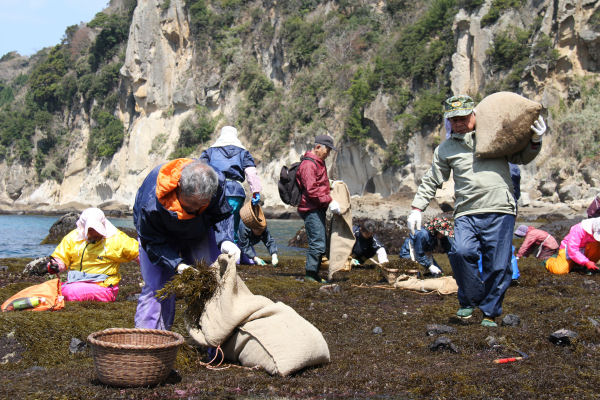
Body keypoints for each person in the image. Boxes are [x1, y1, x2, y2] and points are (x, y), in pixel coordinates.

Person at [407, 94, 545, 327]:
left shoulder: (494, 137)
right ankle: (469, 301)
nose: (458, 123)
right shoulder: (446, 149)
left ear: (474, 115)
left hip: (500, 208)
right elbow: (433, 179)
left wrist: (535, 140)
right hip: (466, 211)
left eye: (463, 118)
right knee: (460, 251)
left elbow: (522, 156)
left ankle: (490, 312)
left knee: (499, 265)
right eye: (453, 120)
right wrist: (416, 207)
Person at [133, 158, 240, 330]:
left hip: (199, 231)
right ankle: (150, 338)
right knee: (157, 287)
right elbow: (151, 242)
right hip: (158, 236)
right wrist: (178, 265)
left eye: (202, 205)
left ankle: (211, 338)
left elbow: (221, 212)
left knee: (210, 280)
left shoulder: (216, 182)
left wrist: (227, 239)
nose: (195, 210)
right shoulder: (151, 203)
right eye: (191, 206)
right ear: (179, 188)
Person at [24, 208, 139, 302]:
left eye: (97, 229)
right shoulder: (72, 238)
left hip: (104, 287)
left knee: (68, 292)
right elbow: (61, 258)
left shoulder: (116, 239)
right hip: (75, 282)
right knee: (47, 289)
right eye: (91, 230)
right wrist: (55, 266)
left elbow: (140, 254)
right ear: (83, 227)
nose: (95, 233)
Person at [200, 126, 262, 242]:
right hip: (236, 192)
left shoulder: (210, 151)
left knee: (214, 224)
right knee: (233, 225)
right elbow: (251, 172)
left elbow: (200, 169)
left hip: (216, 191)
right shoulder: (243, 152)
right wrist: (256, 191)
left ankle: (214, 252)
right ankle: (233, 253)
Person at [296, 134, 340, 283]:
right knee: (317, 242)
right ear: (318, 147)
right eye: (327, 150)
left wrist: (330, 184)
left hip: (316, 207)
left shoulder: (318, 162)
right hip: (310, 209)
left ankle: (314, 273)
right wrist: (330, 200)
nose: (328, 154)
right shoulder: (309, 165)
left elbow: (319, 183)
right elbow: (311, 190)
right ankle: (310, 274)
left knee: (320, 240)